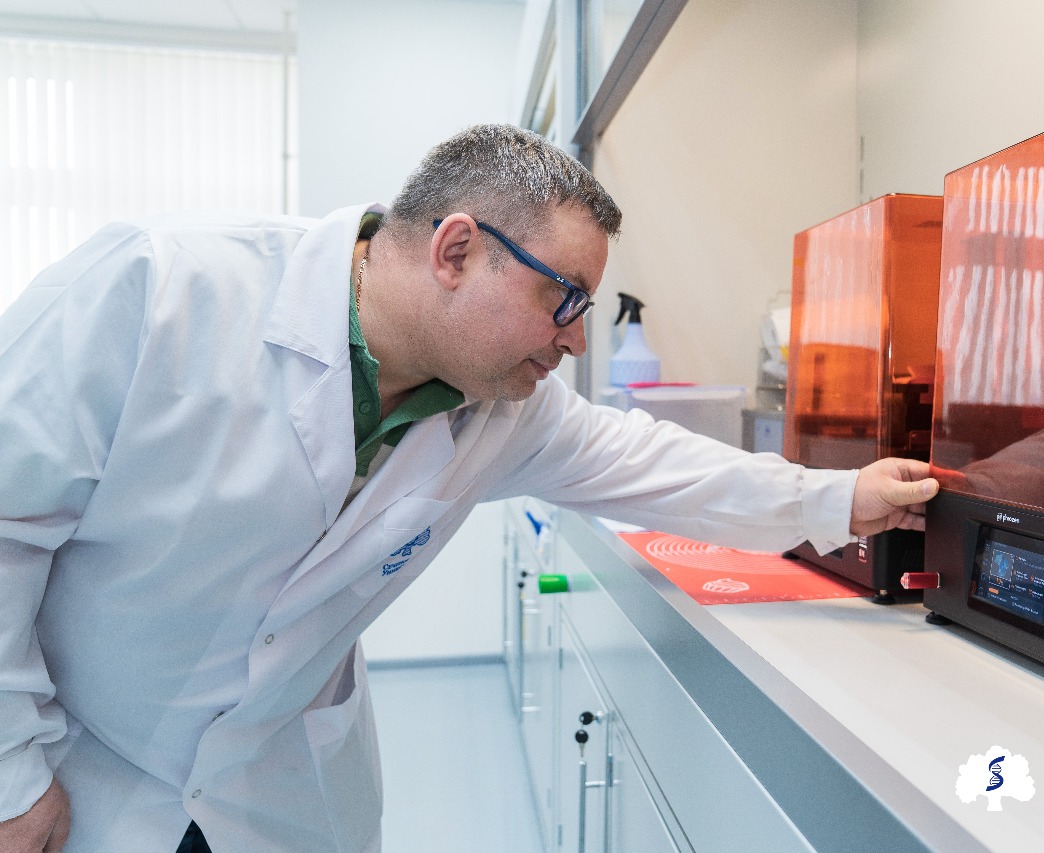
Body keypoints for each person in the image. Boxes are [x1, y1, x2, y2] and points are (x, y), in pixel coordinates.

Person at [0, 124, 938, 853]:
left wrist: (839, 499)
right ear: (455, 251)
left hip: (276, 790)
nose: (577, 336)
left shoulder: (501, 410)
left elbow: (654, 462)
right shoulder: (157, 290)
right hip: (82, 776)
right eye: (563, 298)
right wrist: (10, 773)